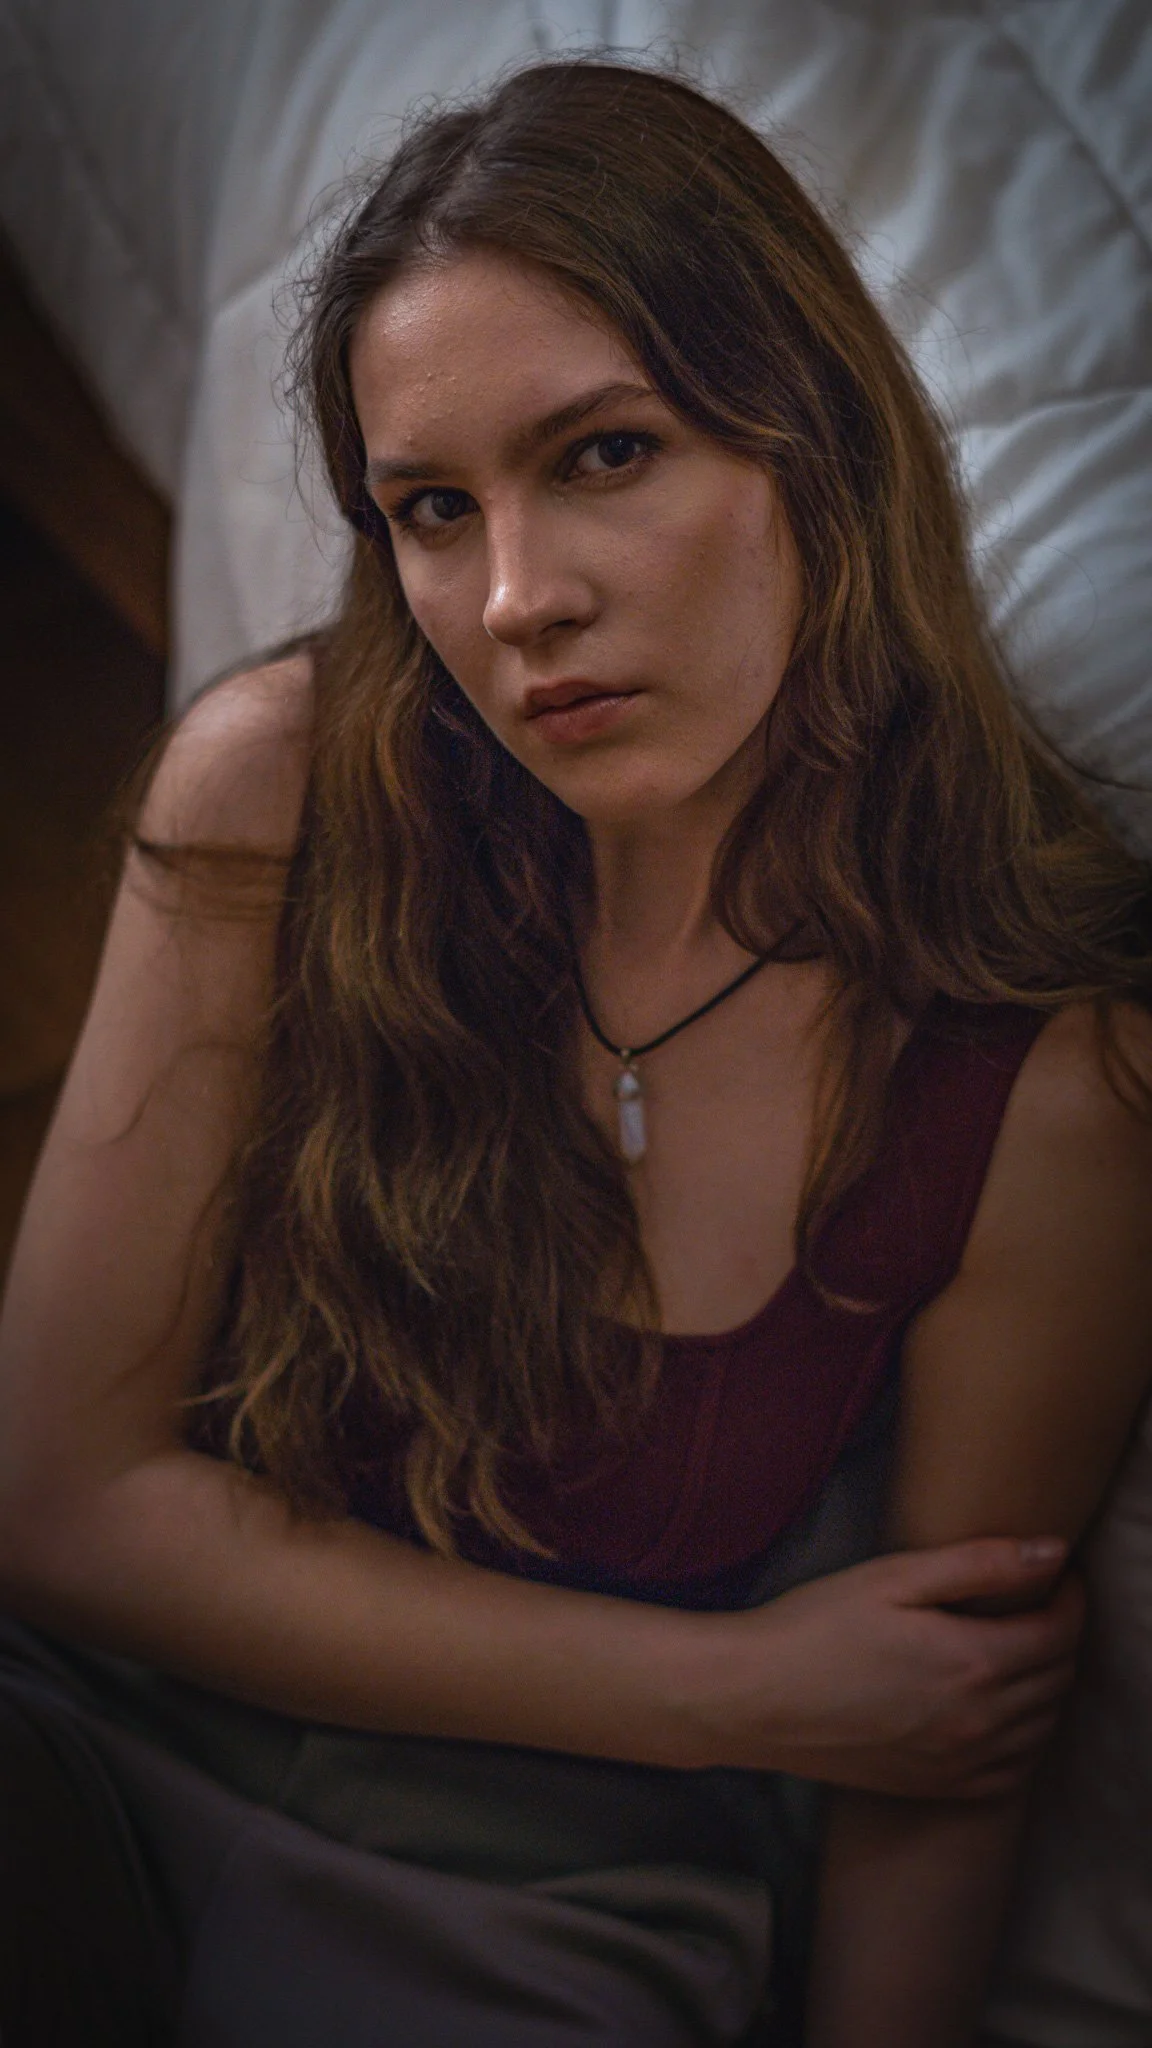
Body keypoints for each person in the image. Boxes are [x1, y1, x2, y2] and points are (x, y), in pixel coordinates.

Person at [0, 55, 1149, 2048]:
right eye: (432, 511)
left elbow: (938, 1755)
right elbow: (54, 1500)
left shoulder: (1039, 1086)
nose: (517, 599)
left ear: (816, 442)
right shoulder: (280, 802)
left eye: (606, 453)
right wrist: (741, 1690)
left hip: (532, 1917)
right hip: (86, 1746)